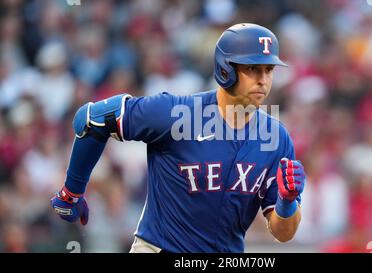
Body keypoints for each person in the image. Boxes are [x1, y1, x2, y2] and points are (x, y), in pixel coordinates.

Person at [50, 23, 307, 253]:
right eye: (253, 68)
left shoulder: (275, 137)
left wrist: (285, 203)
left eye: (269, 69)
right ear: (226, 69)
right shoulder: (177, 114)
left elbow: (283, 234)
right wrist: (72, 192)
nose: (263, 80)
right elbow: (91, 118)